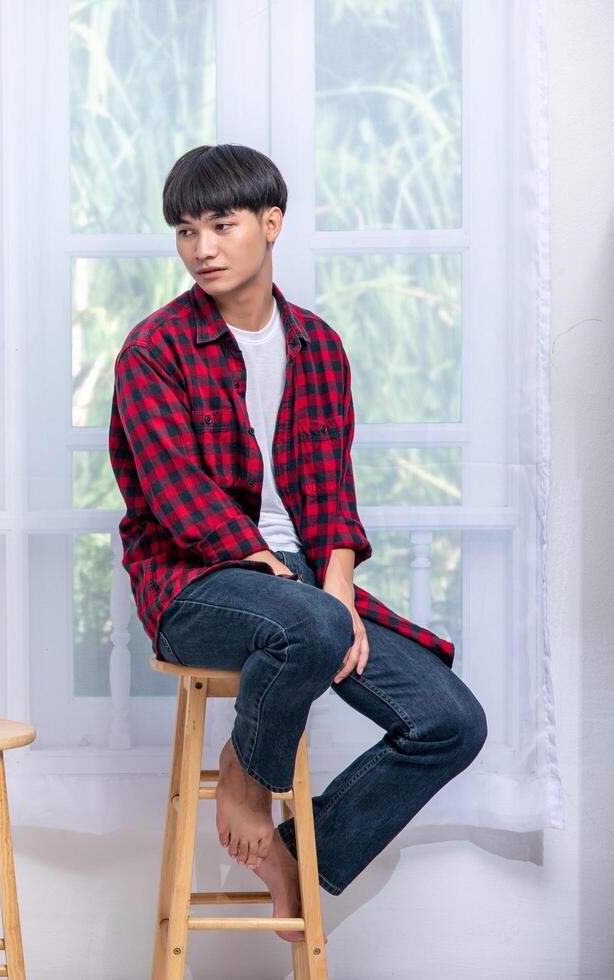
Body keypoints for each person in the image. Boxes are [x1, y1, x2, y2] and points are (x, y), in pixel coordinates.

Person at [107, 143, 487, 941]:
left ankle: (297, 854)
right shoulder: (154, 351)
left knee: (451, 723)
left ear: (270, 223)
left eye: (221, 223)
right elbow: (180, 500)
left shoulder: (317, 346)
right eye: (184, 230)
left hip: (307, 584)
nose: (201, 247)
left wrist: (337, 592)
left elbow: (329, 493)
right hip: (196, 582)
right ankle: (245, 777)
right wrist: (300, 594)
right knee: (307, 623)